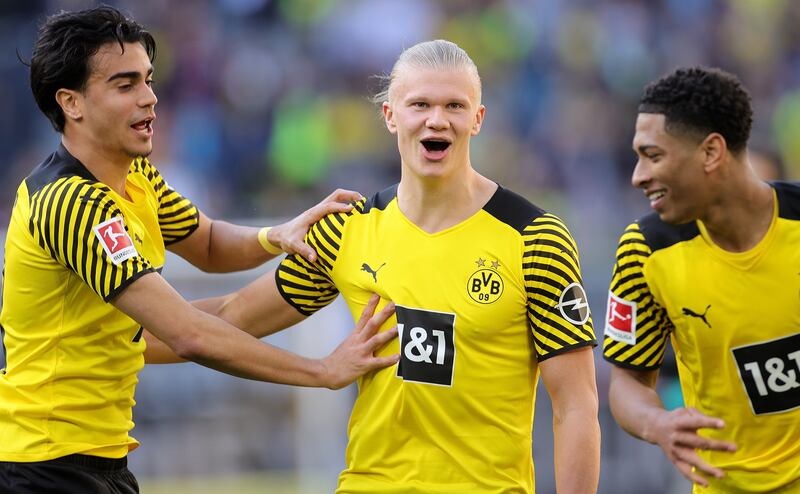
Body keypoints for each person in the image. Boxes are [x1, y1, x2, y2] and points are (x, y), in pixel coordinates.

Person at [168, 39, 600, 493]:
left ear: (478, 119)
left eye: (455, 105)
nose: (437, 119)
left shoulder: (535, 237)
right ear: (390, 115)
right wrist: (118, 330)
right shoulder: (346, 230)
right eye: (420, 104)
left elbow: (575, 405)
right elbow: (232, 317)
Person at [0, 6, 398, 494]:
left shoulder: (133, 175)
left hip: (90, 460)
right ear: (72, 103)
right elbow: (188, 334)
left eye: (147, 80)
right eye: (125, 86)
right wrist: (322, 371)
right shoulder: (71, 204)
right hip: (44, 465)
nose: (150, 98)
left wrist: (277, 234)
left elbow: (207, 243)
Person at [603, 66, 800, 493]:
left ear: (711, 153)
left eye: (653, 156)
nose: (638, 175)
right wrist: (658, 423)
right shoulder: (648, 249)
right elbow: (627, 380)